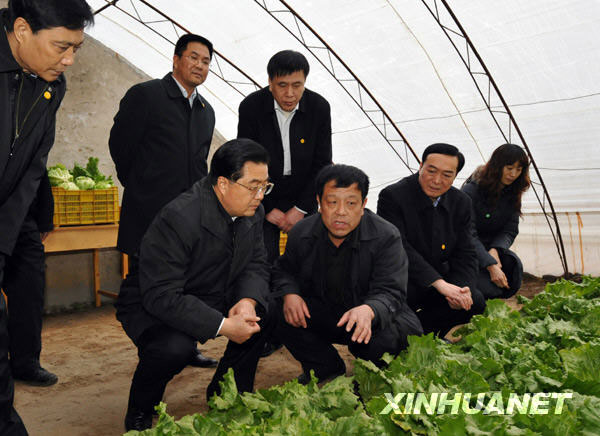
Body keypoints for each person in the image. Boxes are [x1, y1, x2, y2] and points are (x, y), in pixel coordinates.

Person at [115, 139, 274, 431]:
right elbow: (161, 294)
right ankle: (141, 408)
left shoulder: (253, 212)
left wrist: (247, 301)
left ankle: (227, 392)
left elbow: (256, 263)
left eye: (265, 186)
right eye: (253, 187)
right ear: (223, 184)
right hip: (154, 301)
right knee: (172, 348)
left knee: (265, 312)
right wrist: (223, 325)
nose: (260, 196)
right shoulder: (180, 217)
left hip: (215, 290)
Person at [0, 0, 93, 433]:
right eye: (61, 46)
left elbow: (32, 167)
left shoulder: (51, 85)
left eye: (76, 48)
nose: (69, 59)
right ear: (22, 30)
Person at [109, 33, 217, 368]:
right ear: (176, 59)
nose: (199, 65)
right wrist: (141, 185)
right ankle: (153, 345)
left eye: (206, 61)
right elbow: (120, 146)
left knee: (186, 282)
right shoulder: (147, 96)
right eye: (193, 57)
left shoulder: (206, 111)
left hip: (190, 217)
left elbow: (200, 164)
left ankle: (186, 345)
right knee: (146, 284)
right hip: (149, 212)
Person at [272, 164, 423, 383]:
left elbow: (391, 290)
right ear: (319, 203)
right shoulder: (301, 232)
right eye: (332, 202)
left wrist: (370, 310)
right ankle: (325, 368)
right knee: (274, 307)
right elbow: (284, 270)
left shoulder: (386, 236)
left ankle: (374, 375)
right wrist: (290, 293)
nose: (341, 212)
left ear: (363, 205)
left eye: (351, 203)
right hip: (326, 311)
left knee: (386, 337)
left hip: (367, 315)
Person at [377, 143, 485, 338]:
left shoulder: (461, 202)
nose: (436, 180)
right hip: (403, 278)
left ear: (455, 176)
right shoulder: (393, 196)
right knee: (389, 326)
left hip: (440, 276)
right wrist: (440, 284)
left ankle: (427, 336)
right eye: (431, 171)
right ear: (421, 166)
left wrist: (462, 289)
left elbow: (466, 251)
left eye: (447, 175)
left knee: (473, 302)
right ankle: (404, 335)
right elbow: (400, 247)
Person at [237, 49, 332, 263]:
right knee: (260, 260)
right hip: (262, 197)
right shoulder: (252, 107)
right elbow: (245, 160)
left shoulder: (319, 108)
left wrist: (301, 208)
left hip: (304, 196)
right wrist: (268, 208)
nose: (290, 93)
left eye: (297, 85)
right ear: (270, 82)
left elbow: (322, 163)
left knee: (306, 261)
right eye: (282, 85)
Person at [461, 143, 530, 299]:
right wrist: (490, 263)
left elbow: (510, 230)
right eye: (509, 168)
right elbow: (467, 234)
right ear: (497, 166)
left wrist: (496, 249)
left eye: (519, 170)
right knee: (485, 292)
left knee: (513, 270)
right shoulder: (471, 191)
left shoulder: (513, 192)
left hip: (490, 248)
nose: (513, 174)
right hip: (467, 251)